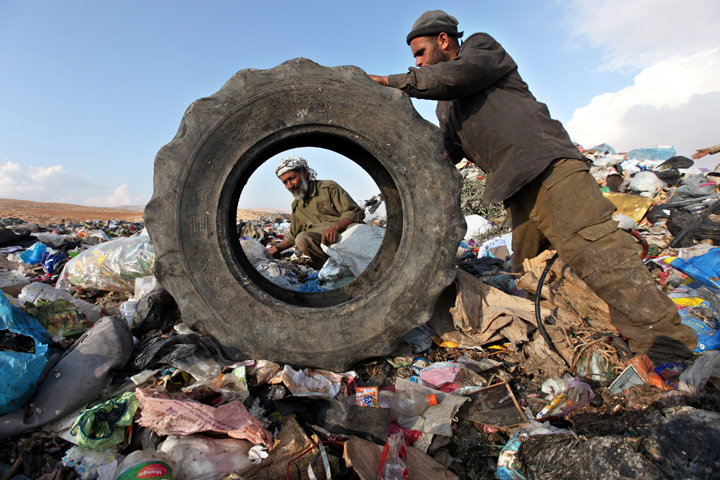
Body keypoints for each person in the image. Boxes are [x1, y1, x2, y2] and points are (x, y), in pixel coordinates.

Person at [369, 10, 697, 361]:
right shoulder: (447, 105)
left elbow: (450, 78)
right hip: (514, 187)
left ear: (444, 40)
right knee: (532, 271)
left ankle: (668, 348)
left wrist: (390, 82)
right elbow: (451, 148)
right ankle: (584, 336)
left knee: (600, 254)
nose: (416, 62)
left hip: (548, 169)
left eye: (419, 53)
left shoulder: (480, 50)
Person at [266, 156, 365, 269]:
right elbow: (293, 235)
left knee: (354, 226)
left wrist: (336, 228)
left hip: (346, 239)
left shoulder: (328, 188)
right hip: (326, 246)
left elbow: (354, 211)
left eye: (292, 178)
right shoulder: (297, 206)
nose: (290, 186)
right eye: (285, 182)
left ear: (304, 172)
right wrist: (277, 249)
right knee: (301, 238)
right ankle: (334, 270)